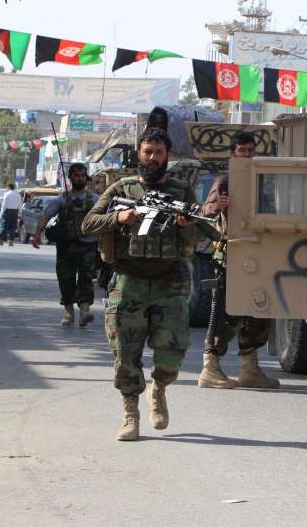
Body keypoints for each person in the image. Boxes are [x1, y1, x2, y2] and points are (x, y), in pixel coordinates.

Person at [82, 127, 197, 442]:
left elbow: (198, 235)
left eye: (159, 153)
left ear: (166, 156)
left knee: (173, 350)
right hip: (129, 280)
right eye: (148, 152)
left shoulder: (181, 190)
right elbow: (88, 222)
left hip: (169, 280)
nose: (153, 158)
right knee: (126, 352)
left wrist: (187, 225)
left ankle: (158, 389)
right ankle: (130, 415)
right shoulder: (122, 188)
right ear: (139, 154)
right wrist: (119, 218)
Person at [196, 131, 281, 391]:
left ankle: (250, 368)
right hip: (230, 258)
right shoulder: (225, 179)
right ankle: (209, 368)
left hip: (258, 256)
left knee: (258, 311)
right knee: (223, 313)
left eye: (249, 150)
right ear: (233, 153)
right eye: (241, 150)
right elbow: (205, 211)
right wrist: (219, 206)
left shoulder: (261, 178)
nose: (246, 154)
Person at [34, 163, 99, 327]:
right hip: (66, 246)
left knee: (86, 278)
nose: (79, 178)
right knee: (65, 279)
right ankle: (69, 312)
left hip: (89, 245)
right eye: (76, 175)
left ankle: (84, 311)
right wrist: (37, 234)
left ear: (87, 178)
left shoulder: (95, 199)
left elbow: (105, 219)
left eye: (83, 175)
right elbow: (45, 216)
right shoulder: (61, 199)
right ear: (70, 177)